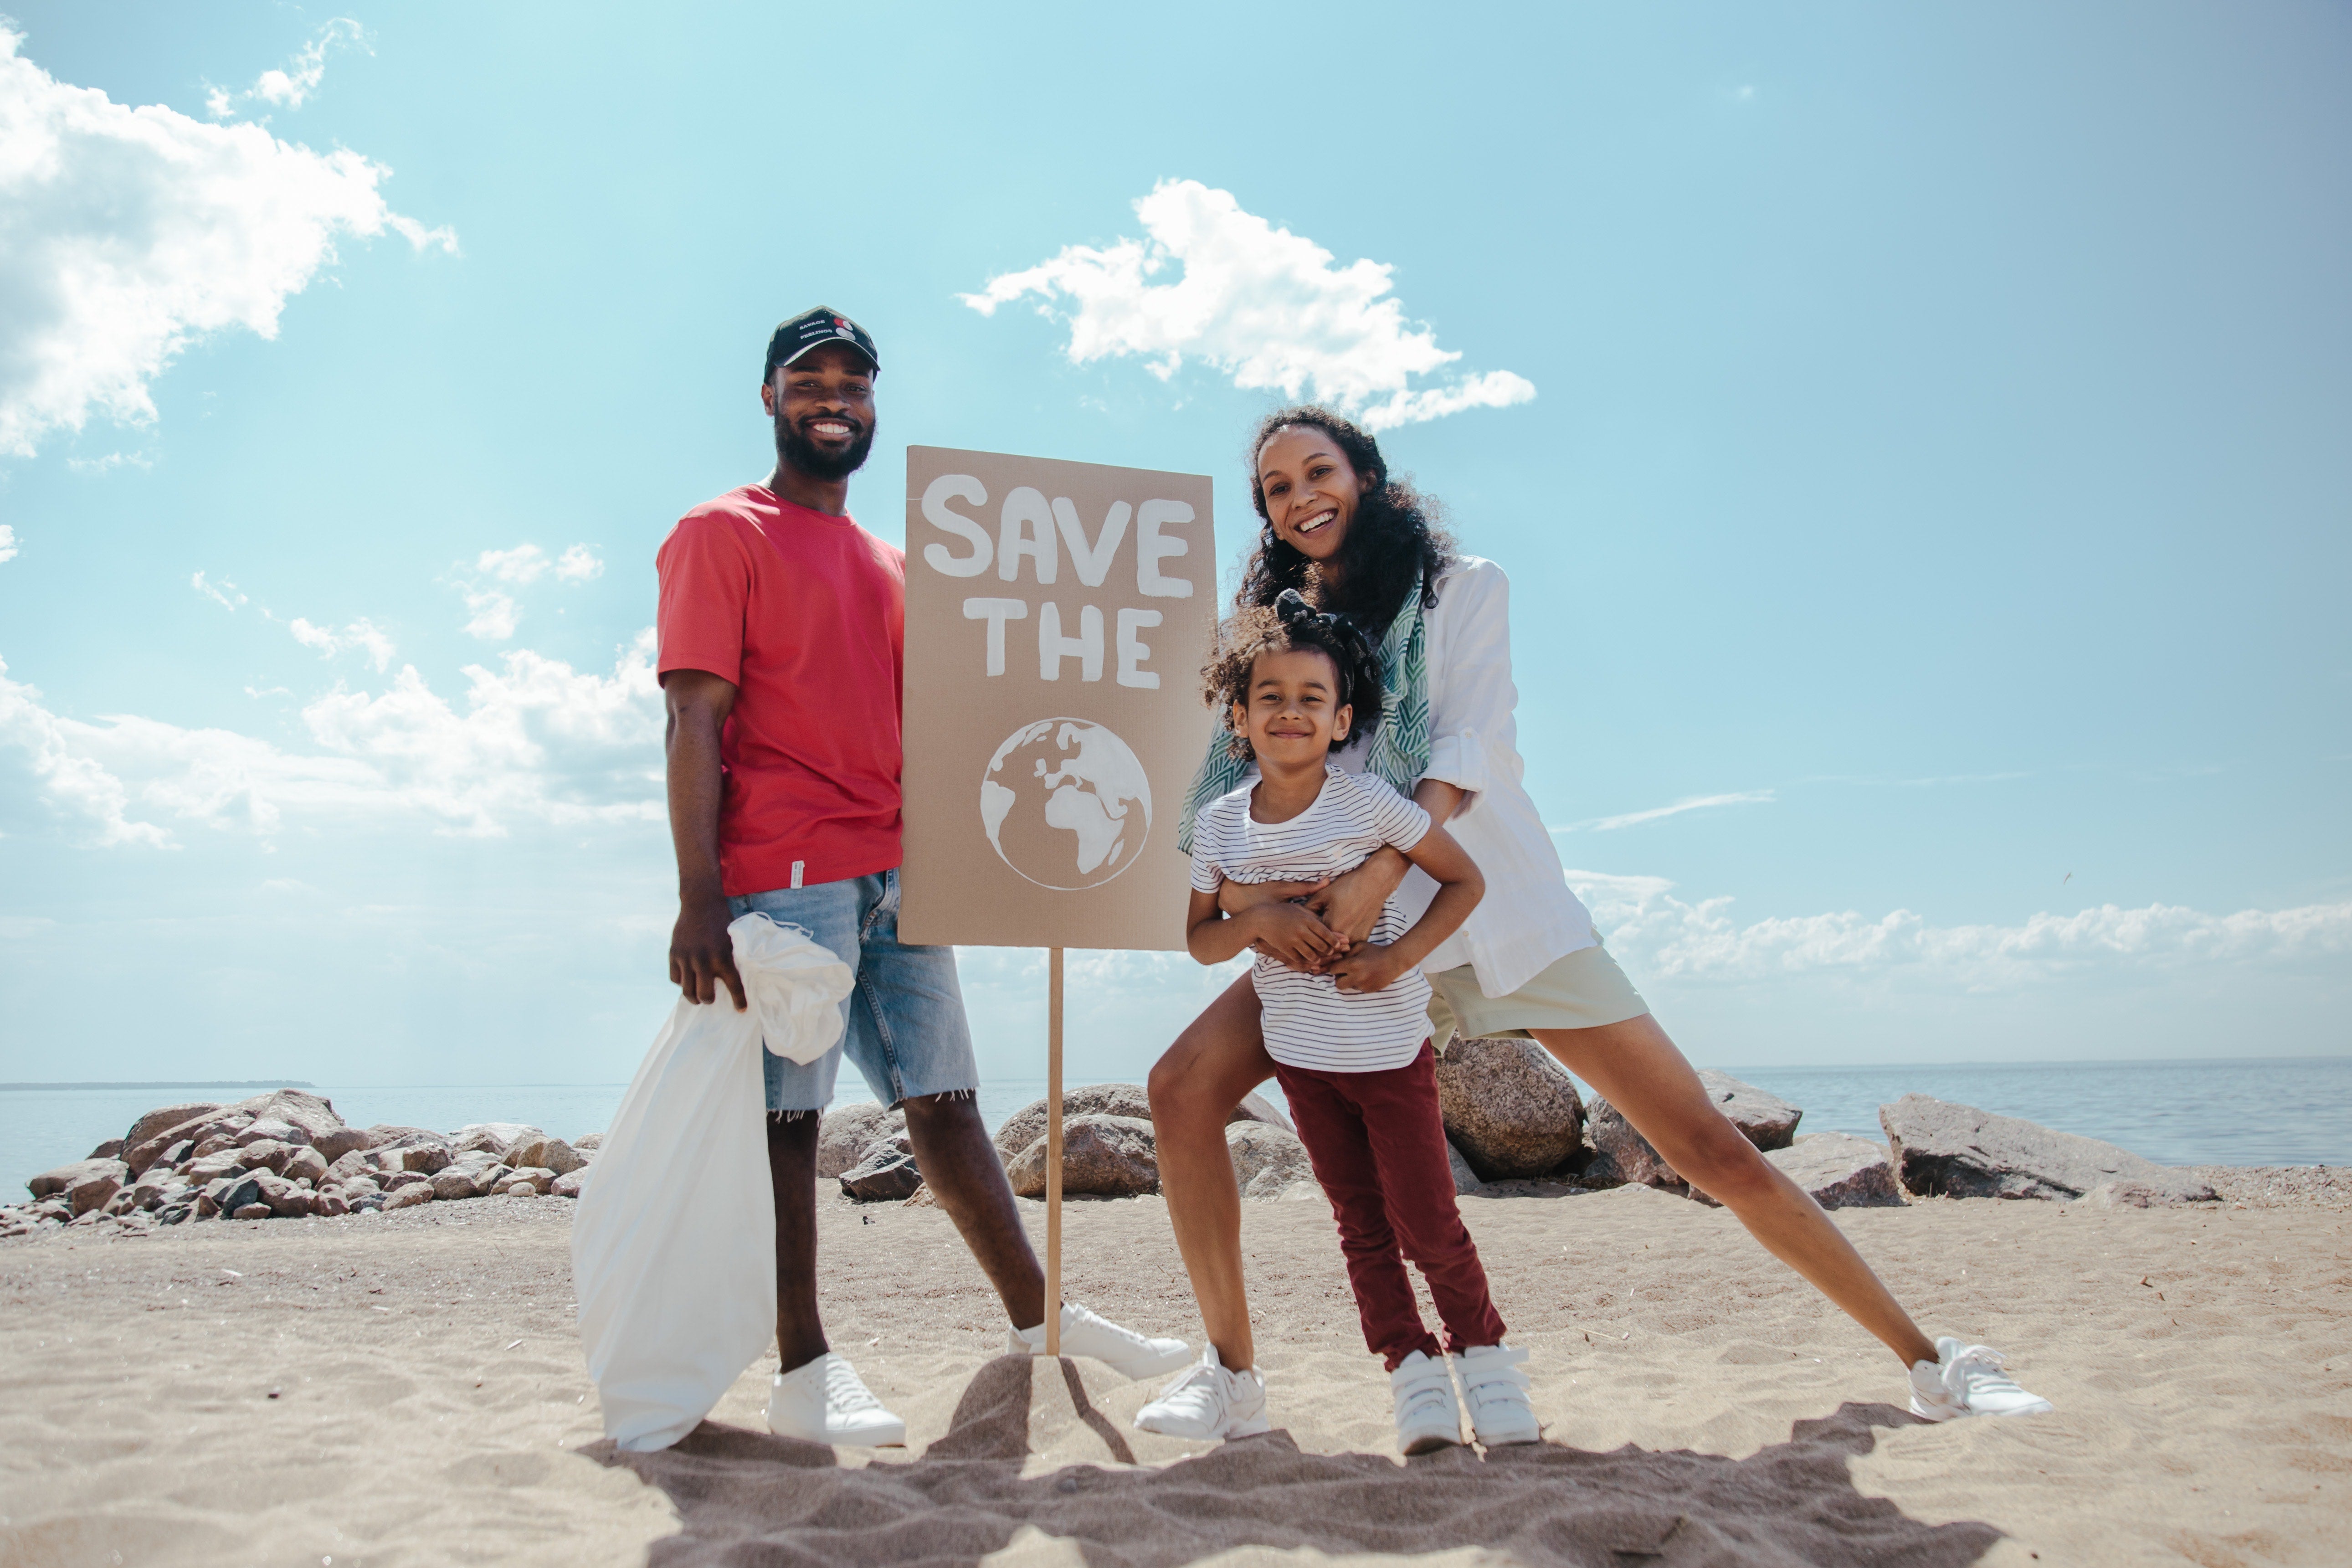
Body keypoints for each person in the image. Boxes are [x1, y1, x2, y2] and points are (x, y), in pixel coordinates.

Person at [1136, 404, 2053, 1440]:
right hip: (1336, 950)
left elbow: (1472, 745)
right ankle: (1232, 1374)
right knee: (1179, 1088)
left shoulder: (1461, 588)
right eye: (1274, 487)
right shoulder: (1277, 629)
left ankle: (1936, 1361)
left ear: (1369, 477)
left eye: (1318, 471)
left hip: (1487, 909)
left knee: (1707, 1143)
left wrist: (1380, 868)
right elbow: (1247, 787)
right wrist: (1280, 909)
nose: (1299, 496)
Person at [657, 306, 1193, 1447]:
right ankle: (804, 1365)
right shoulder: (721, 530)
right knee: (789, 1120)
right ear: (769, 397)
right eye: (811, 381)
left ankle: (1040, 1319)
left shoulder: (898, 561)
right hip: (783, 869)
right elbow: (692, 717)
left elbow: (961, 717)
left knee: (947, 1103)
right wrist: (700, 893)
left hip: (902, 868)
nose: (834, 398)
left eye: (854, 382)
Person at [1149, 590, 1541, 1455]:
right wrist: (1257, 923)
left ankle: (1488, 1363)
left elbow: (1461, 881)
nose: (1290, 712)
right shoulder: (1219, 825)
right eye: (1270, 697)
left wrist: (1397, 960)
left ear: (1342, 719)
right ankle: (1413, 1378)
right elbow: (1198, 940)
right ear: (1238, 720)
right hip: (1300, 1062)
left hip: (1390, 1052)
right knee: (1360, 1228)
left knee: (1428, 1222)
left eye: (1311, 699)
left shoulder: (1368, 805)